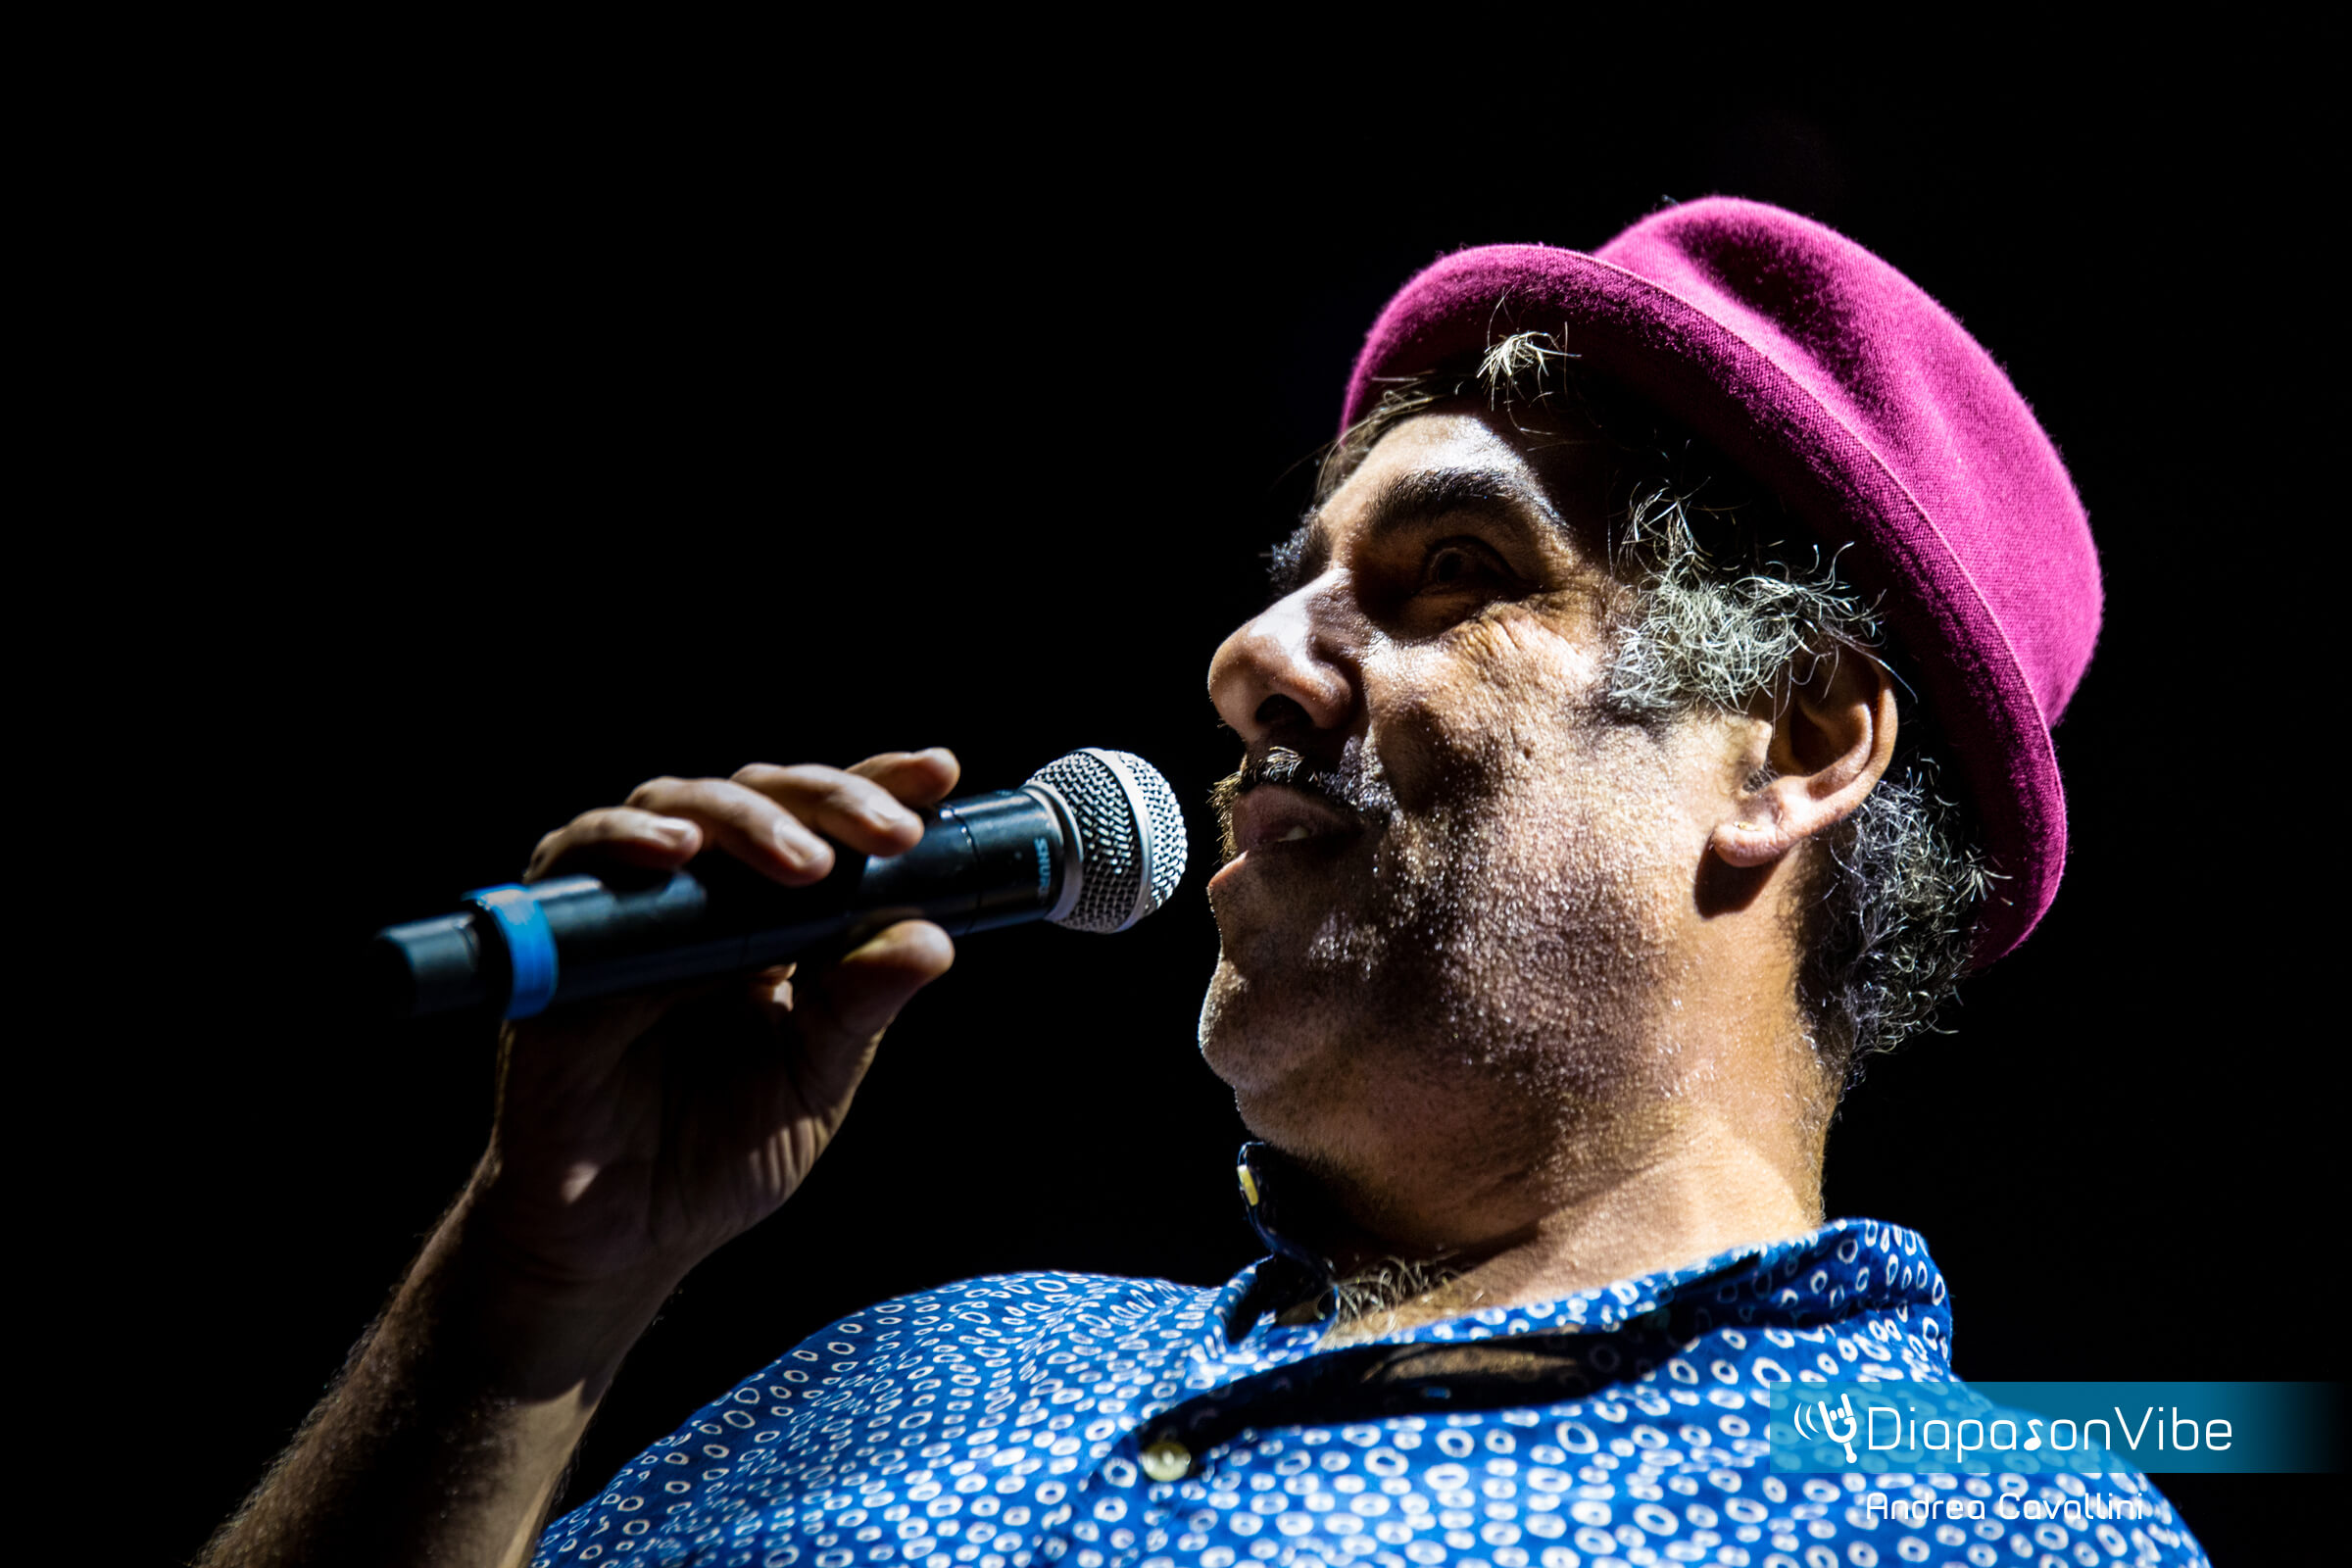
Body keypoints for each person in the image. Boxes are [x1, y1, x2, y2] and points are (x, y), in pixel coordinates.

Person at [204, 199, 2209, 1567]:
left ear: (1795, 744)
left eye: (1454, 572)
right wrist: (519, 1309)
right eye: (1289, 586)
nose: (1248, 663)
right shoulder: (936, 1361)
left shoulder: (1977, 1517)